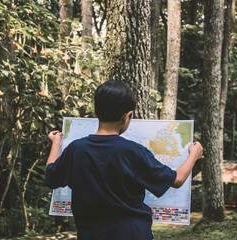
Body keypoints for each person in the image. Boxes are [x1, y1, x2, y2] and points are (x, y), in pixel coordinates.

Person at [45, 81, 203, 240]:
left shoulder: (75, 149)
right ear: (127, 116)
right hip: (134, 234)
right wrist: (193, 155)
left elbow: (50, 176)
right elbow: (177, 179)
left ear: (95, 111)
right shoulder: (134, 152)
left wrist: (56, 143)